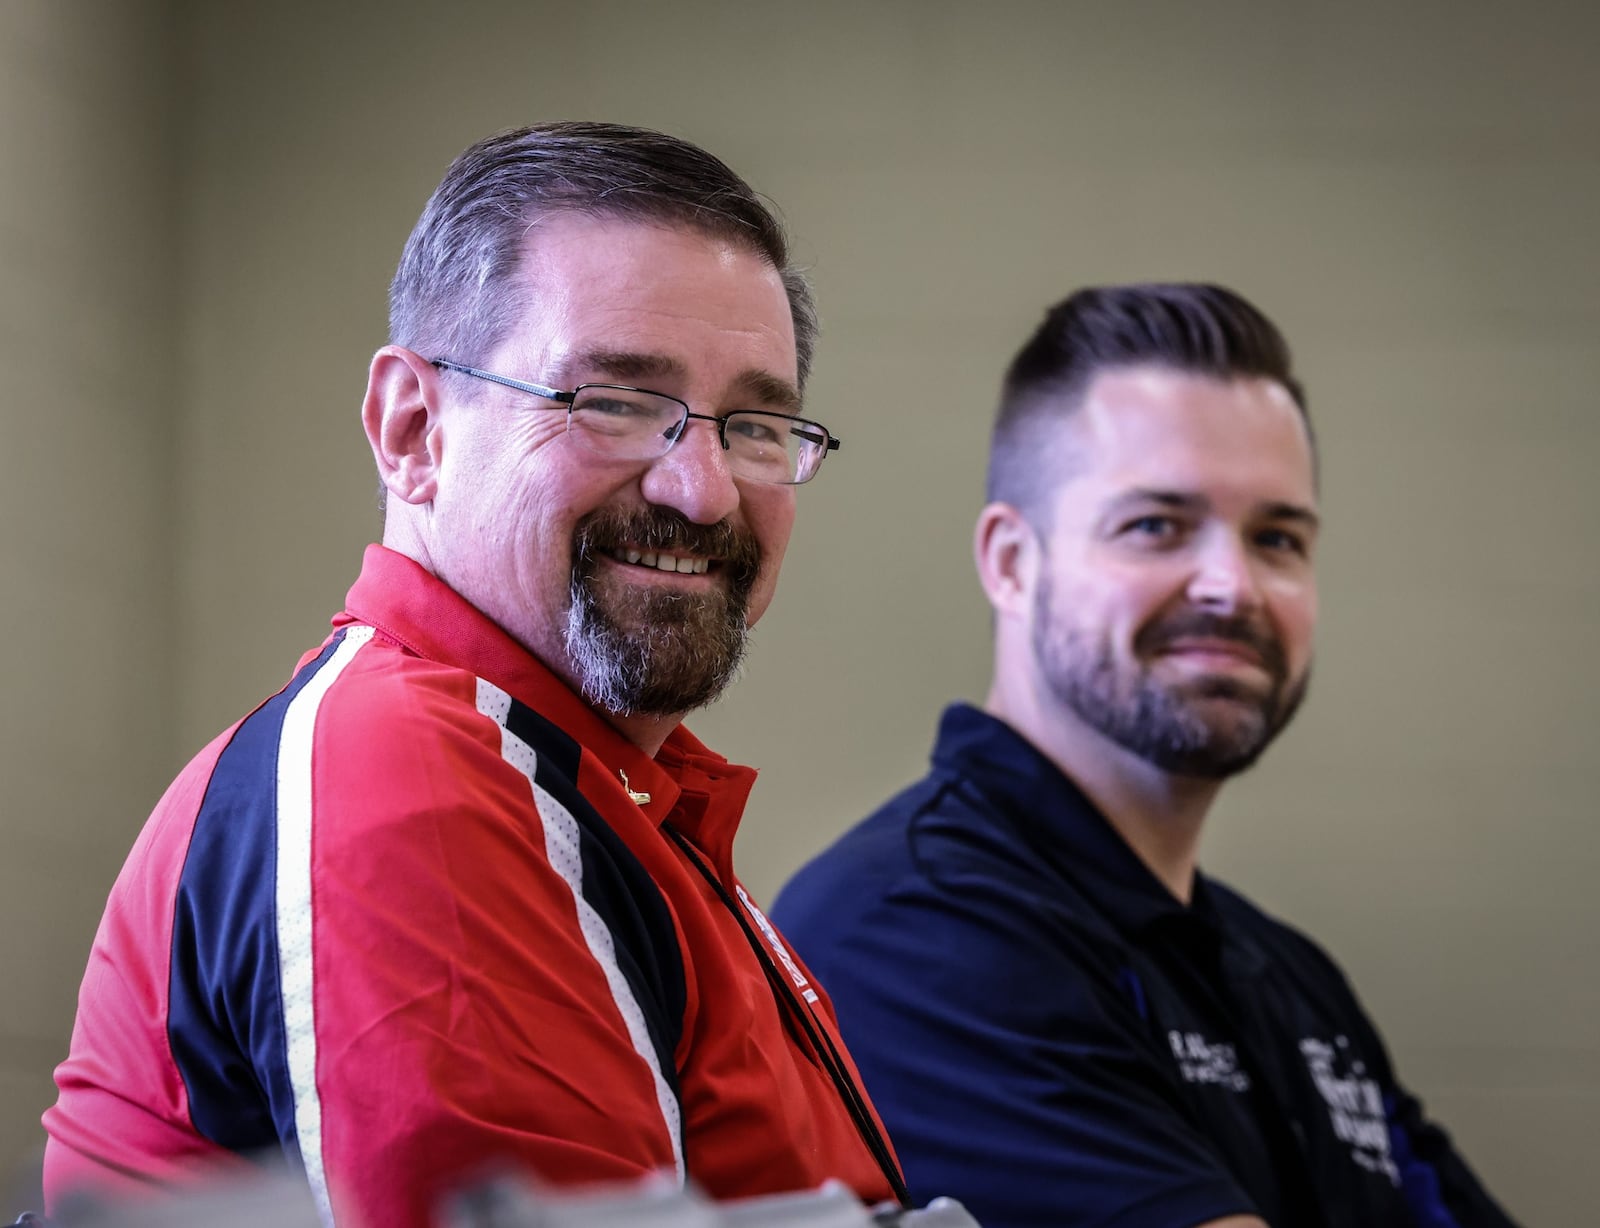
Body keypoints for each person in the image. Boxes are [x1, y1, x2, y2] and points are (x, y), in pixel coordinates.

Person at [43, 122, 905, 1228]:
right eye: (615, 402)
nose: (702, 490)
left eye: (753, 423)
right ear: (413, 430)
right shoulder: (410, 775)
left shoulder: (601, 792)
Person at [772, 284, 1519, 1228]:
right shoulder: (912, 931)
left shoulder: (1288, 977)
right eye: (1156, 525)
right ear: (1011, 561)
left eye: (1277, 537)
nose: (1231, 586)